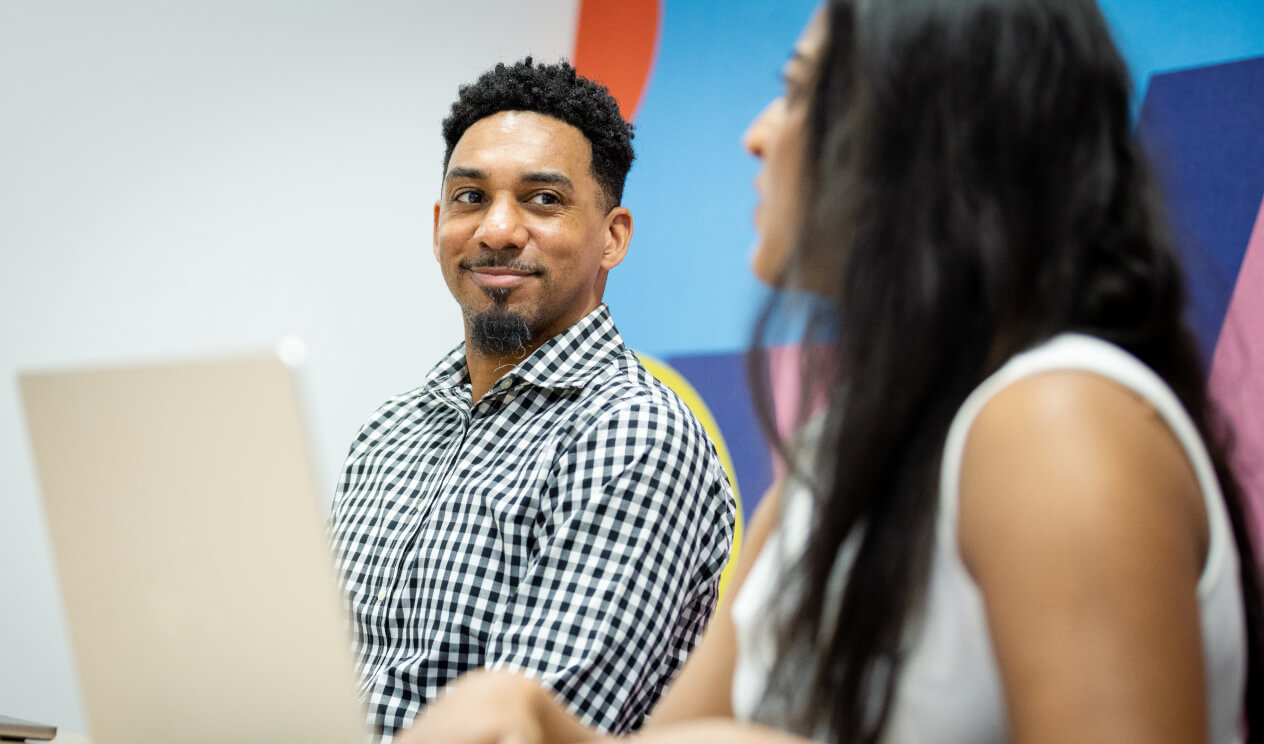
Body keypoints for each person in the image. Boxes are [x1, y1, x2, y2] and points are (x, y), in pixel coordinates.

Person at [397, 1, 1263, 742]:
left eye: (799, 91)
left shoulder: (1055, 416)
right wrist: (540, 721)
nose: (757, 134)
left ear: (928, 137)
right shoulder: (832, 457)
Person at [329, 58, 735, 741]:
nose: (497, 230)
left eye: (542, 200)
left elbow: (520, 729)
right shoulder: (389, 431)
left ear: (613, 236)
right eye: (470, 198)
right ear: (438, 226)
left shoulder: (633, 435)